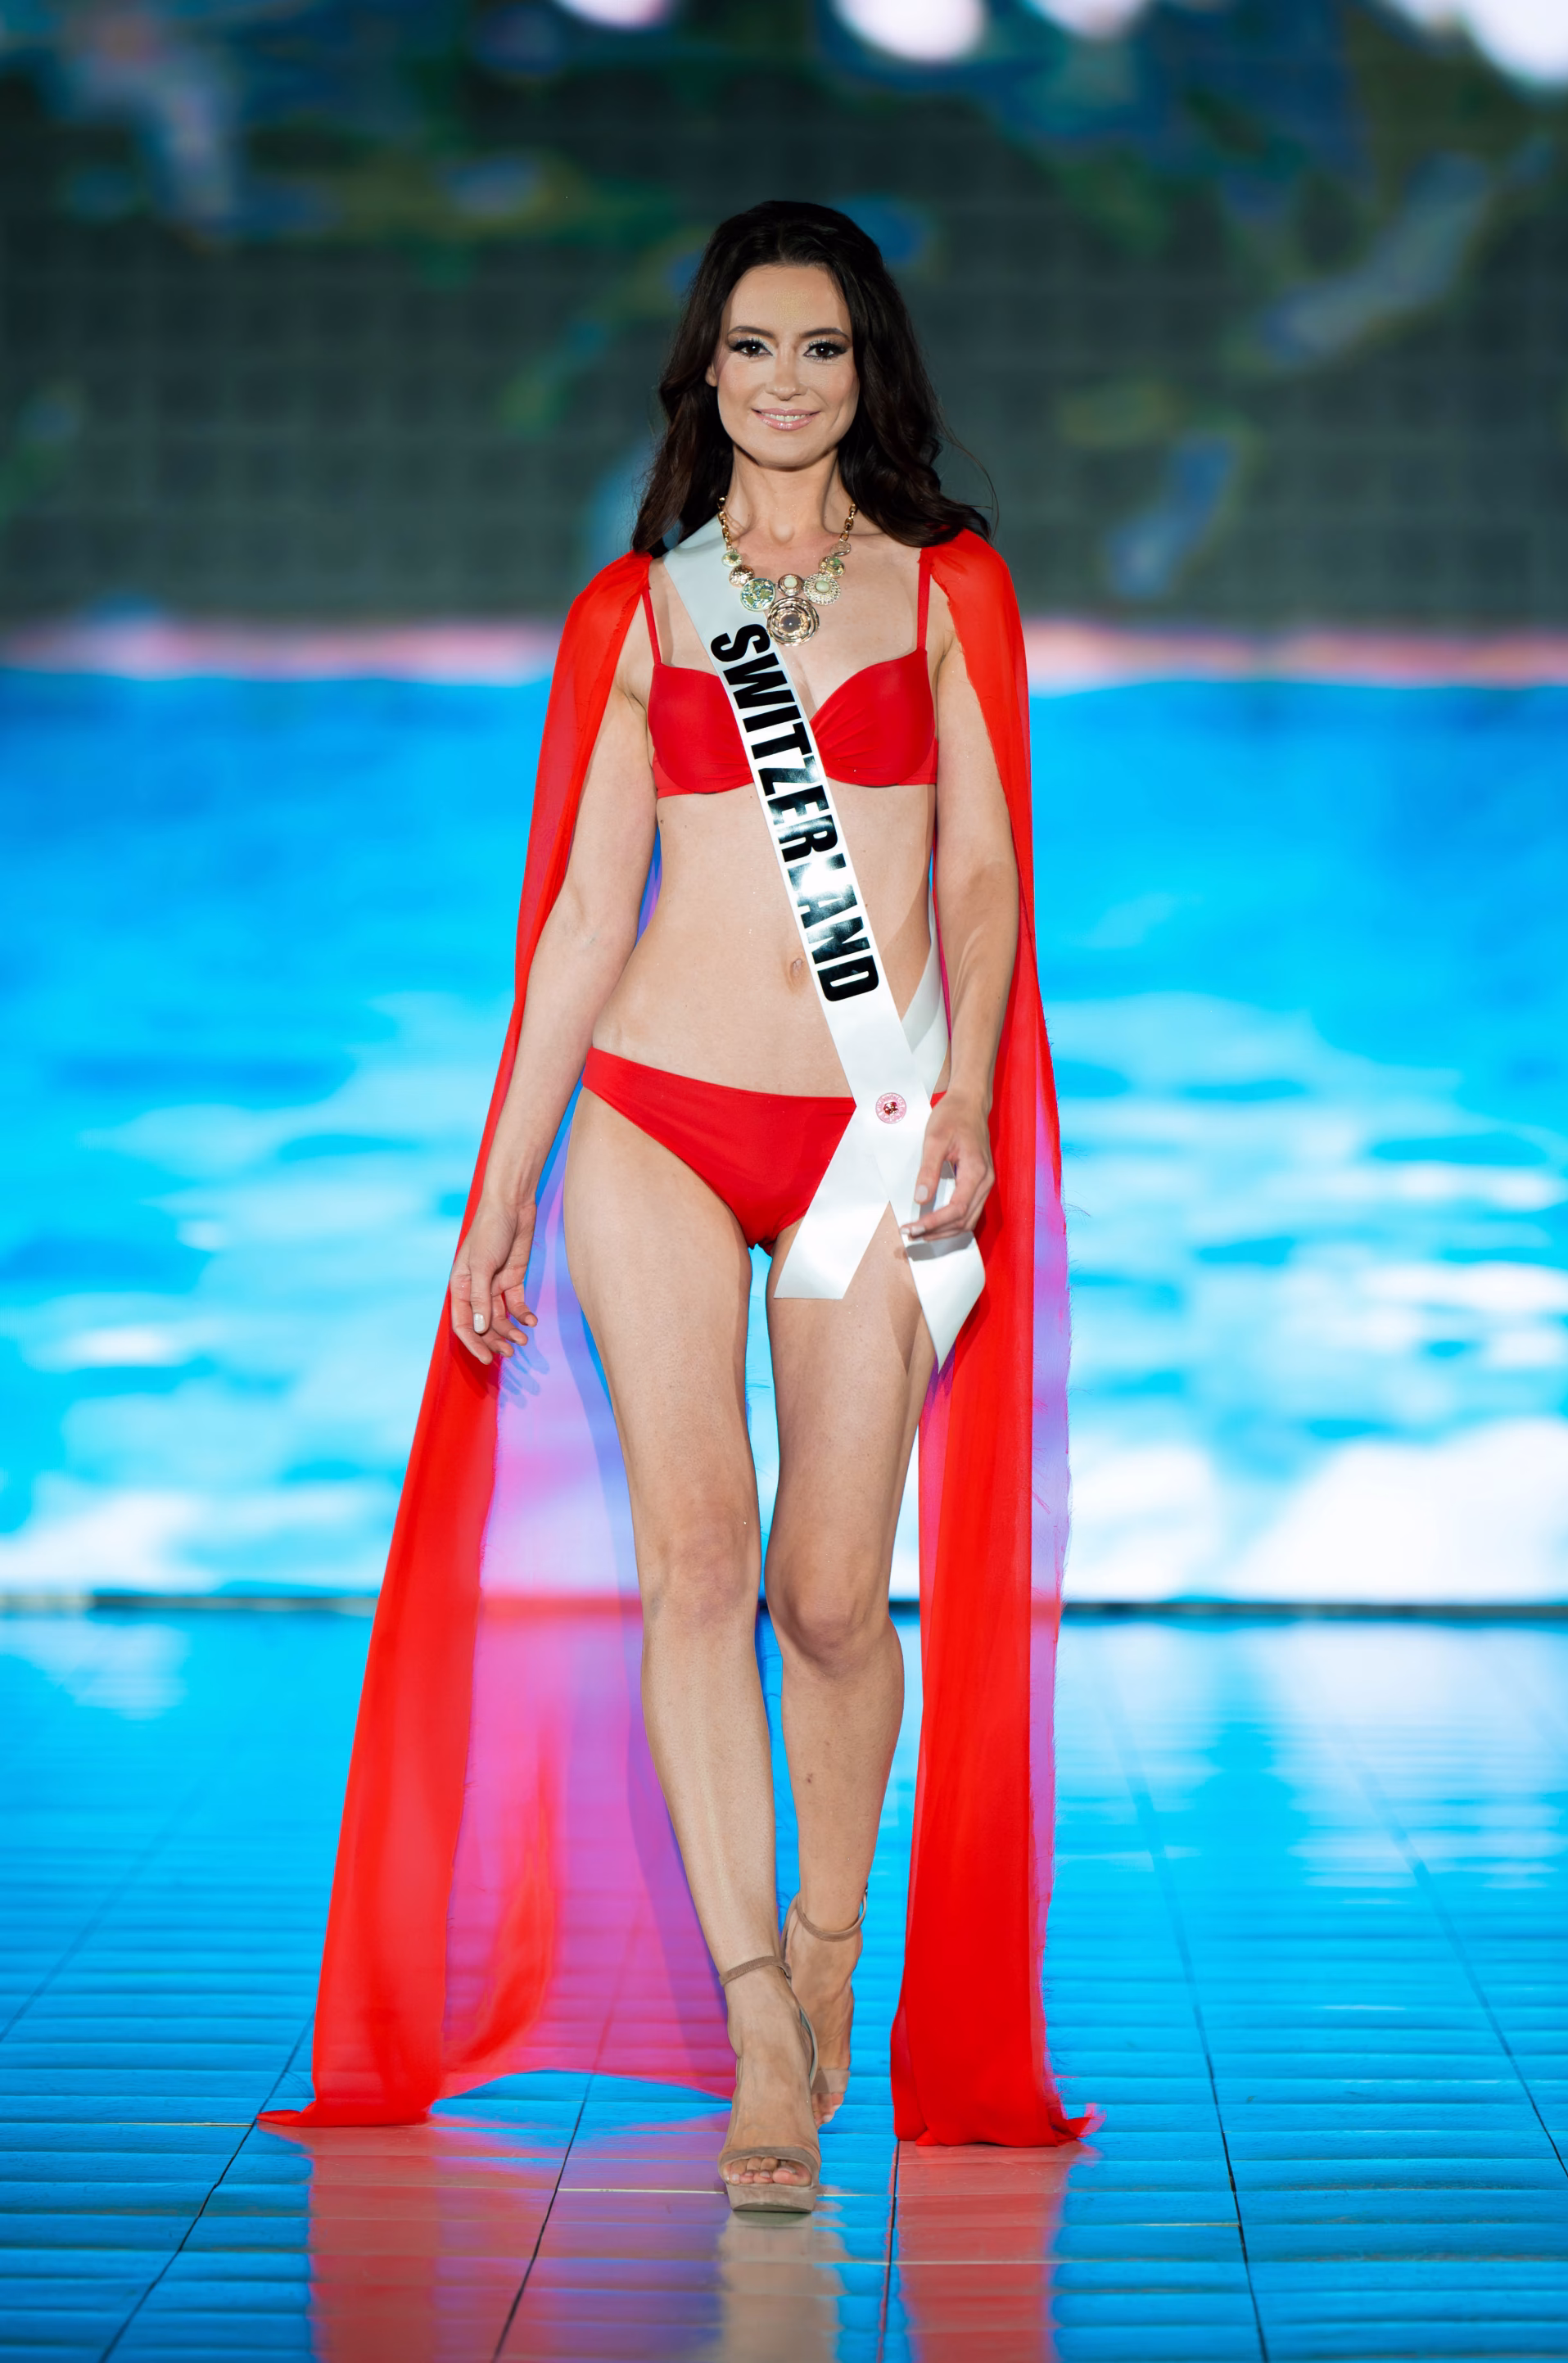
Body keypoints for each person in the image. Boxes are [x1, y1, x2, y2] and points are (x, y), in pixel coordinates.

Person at [264, 201, 1090, 2209]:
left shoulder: (950, 588)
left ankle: (828, 1939)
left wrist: (969, 1093)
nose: (785, 383)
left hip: (867, 1130)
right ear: (701, 372)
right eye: (750, 348)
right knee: (697, 1564)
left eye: (821, 348)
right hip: (649, 1116)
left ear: (868, 370)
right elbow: (577, 923)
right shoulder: (637, 611)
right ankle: (757, 2037)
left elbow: (983, 875)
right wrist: (500, 1193)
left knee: (829, 1593)